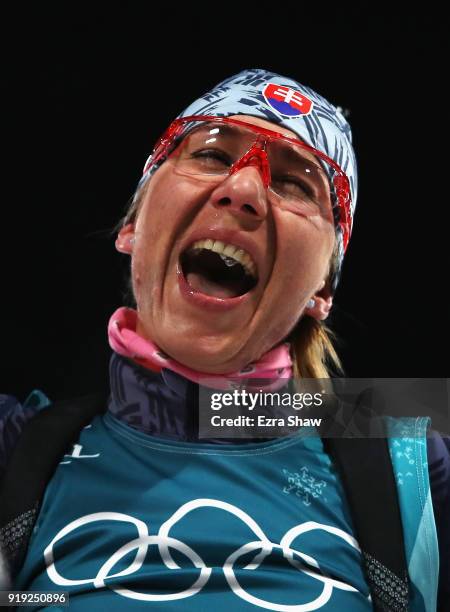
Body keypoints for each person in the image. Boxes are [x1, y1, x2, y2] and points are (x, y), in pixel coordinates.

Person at [0, 68, 448, 611]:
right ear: (132, 226)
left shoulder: (410, 452)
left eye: (294, 183)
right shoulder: (17, 448)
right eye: (210, 156)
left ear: (323, 289)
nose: (241, 190)